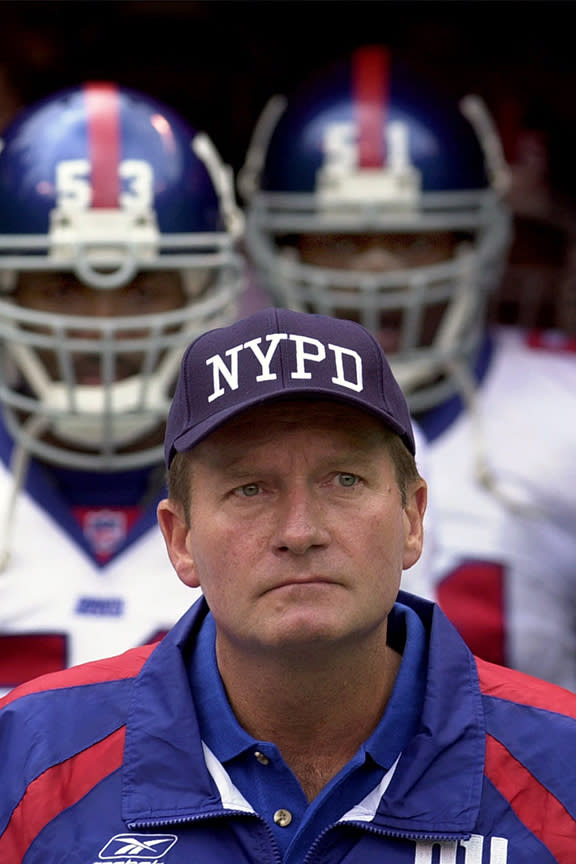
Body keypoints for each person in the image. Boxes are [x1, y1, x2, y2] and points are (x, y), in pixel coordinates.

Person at [2, 307, 576, 861]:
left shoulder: (562, 765)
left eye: (344, 480)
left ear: (412, 518)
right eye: (250, 489)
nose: (300, 532)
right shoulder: (28, 760)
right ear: (181, 540)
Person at [240, 45, 576, 691]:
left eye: (416, 239)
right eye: (340, 243)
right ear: (276, 248)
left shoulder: (560, 411)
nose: (379, 273)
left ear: (480, 242)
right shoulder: (215, 416)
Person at [0, 82, 245, 694]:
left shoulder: (276, 487)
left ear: (199, 291)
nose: (102, 328)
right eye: (61, 288)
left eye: (141, 289)